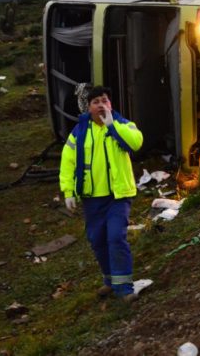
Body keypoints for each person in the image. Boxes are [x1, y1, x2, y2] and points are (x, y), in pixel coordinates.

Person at [59, 86, 144, 300]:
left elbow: (135, 143)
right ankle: (110, 280)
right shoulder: (79, 131)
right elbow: (67, 162)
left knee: (116, 237)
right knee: (97, 240)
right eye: (96, 102)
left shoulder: (122, 124)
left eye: (104, 100)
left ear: (110, 105)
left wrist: (112, 126)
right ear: (89, 108)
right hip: (92, 198)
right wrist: (68, 191)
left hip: (118, 196)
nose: (101, 105)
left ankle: (124, 289)